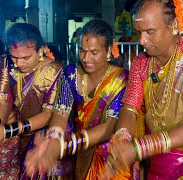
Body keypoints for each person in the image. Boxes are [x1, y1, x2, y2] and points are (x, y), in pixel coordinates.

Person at [99, 0, 183, 179]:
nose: (142, 40)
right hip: (156, 167)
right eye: (138, 32)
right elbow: (129, 108)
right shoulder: (141, 63)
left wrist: (140, 147)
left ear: (173, 26)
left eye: (150, 32)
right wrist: (123, 138)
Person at [23, 19, 127, 179]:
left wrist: (62, 147)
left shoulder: (120, 79)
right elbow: (61, 112)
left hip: (110, 155)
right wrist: (53, 139)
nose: (86, 58)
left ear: (107, 52)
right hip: (81, 148)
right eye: (82, 50)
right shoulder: (70, 74)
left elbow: (109, 126)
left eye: (93, 52)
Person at [0, 23, 63, 179]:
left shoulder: (56, 71)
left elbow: (48, 114)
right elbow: (0, 100)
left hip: (46, 134)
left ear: (41, 50)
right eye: (14, 57)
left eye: (26, 58)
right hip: (18, 129)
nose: (19, 63)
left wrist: (7, 130)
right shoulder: (6, 63)